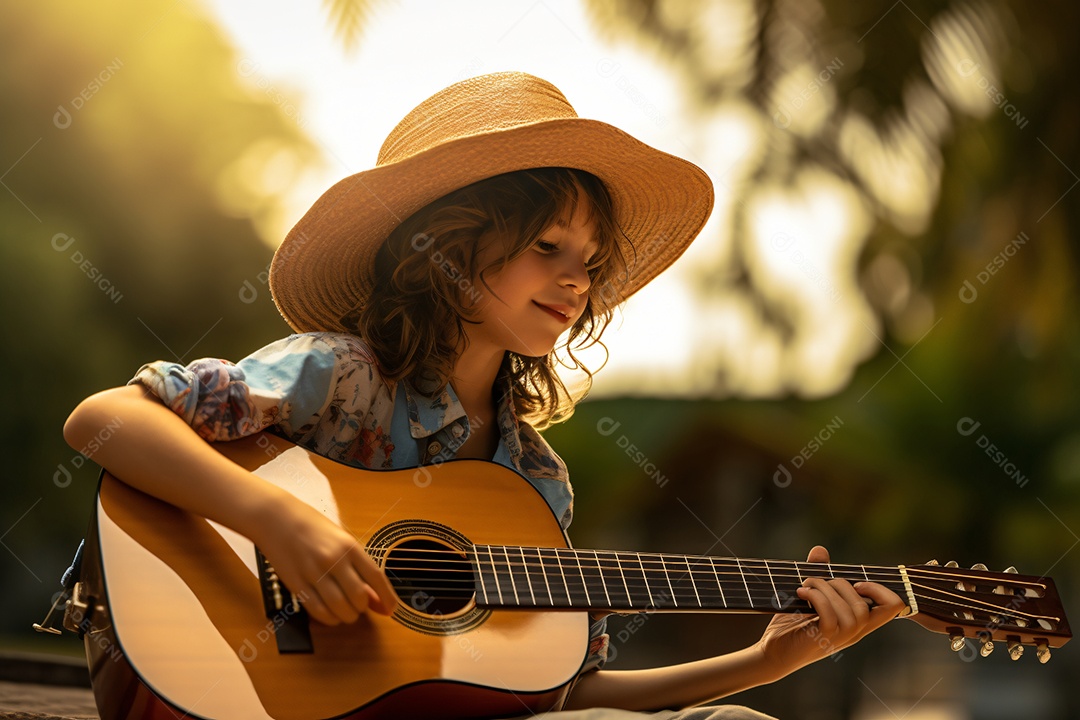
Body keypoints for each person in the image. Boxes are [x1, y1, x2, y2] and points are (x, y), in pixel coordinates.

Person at [63, 72, 904, 719]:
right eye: (548, 245)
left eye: (591, 259)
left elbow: (563, 692)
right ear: (448, 247)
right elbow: (103, 421)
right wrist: (278, 523)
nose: (578, 280)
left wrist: (765, 662)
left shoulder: (534, 483)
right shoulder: (339, 375)